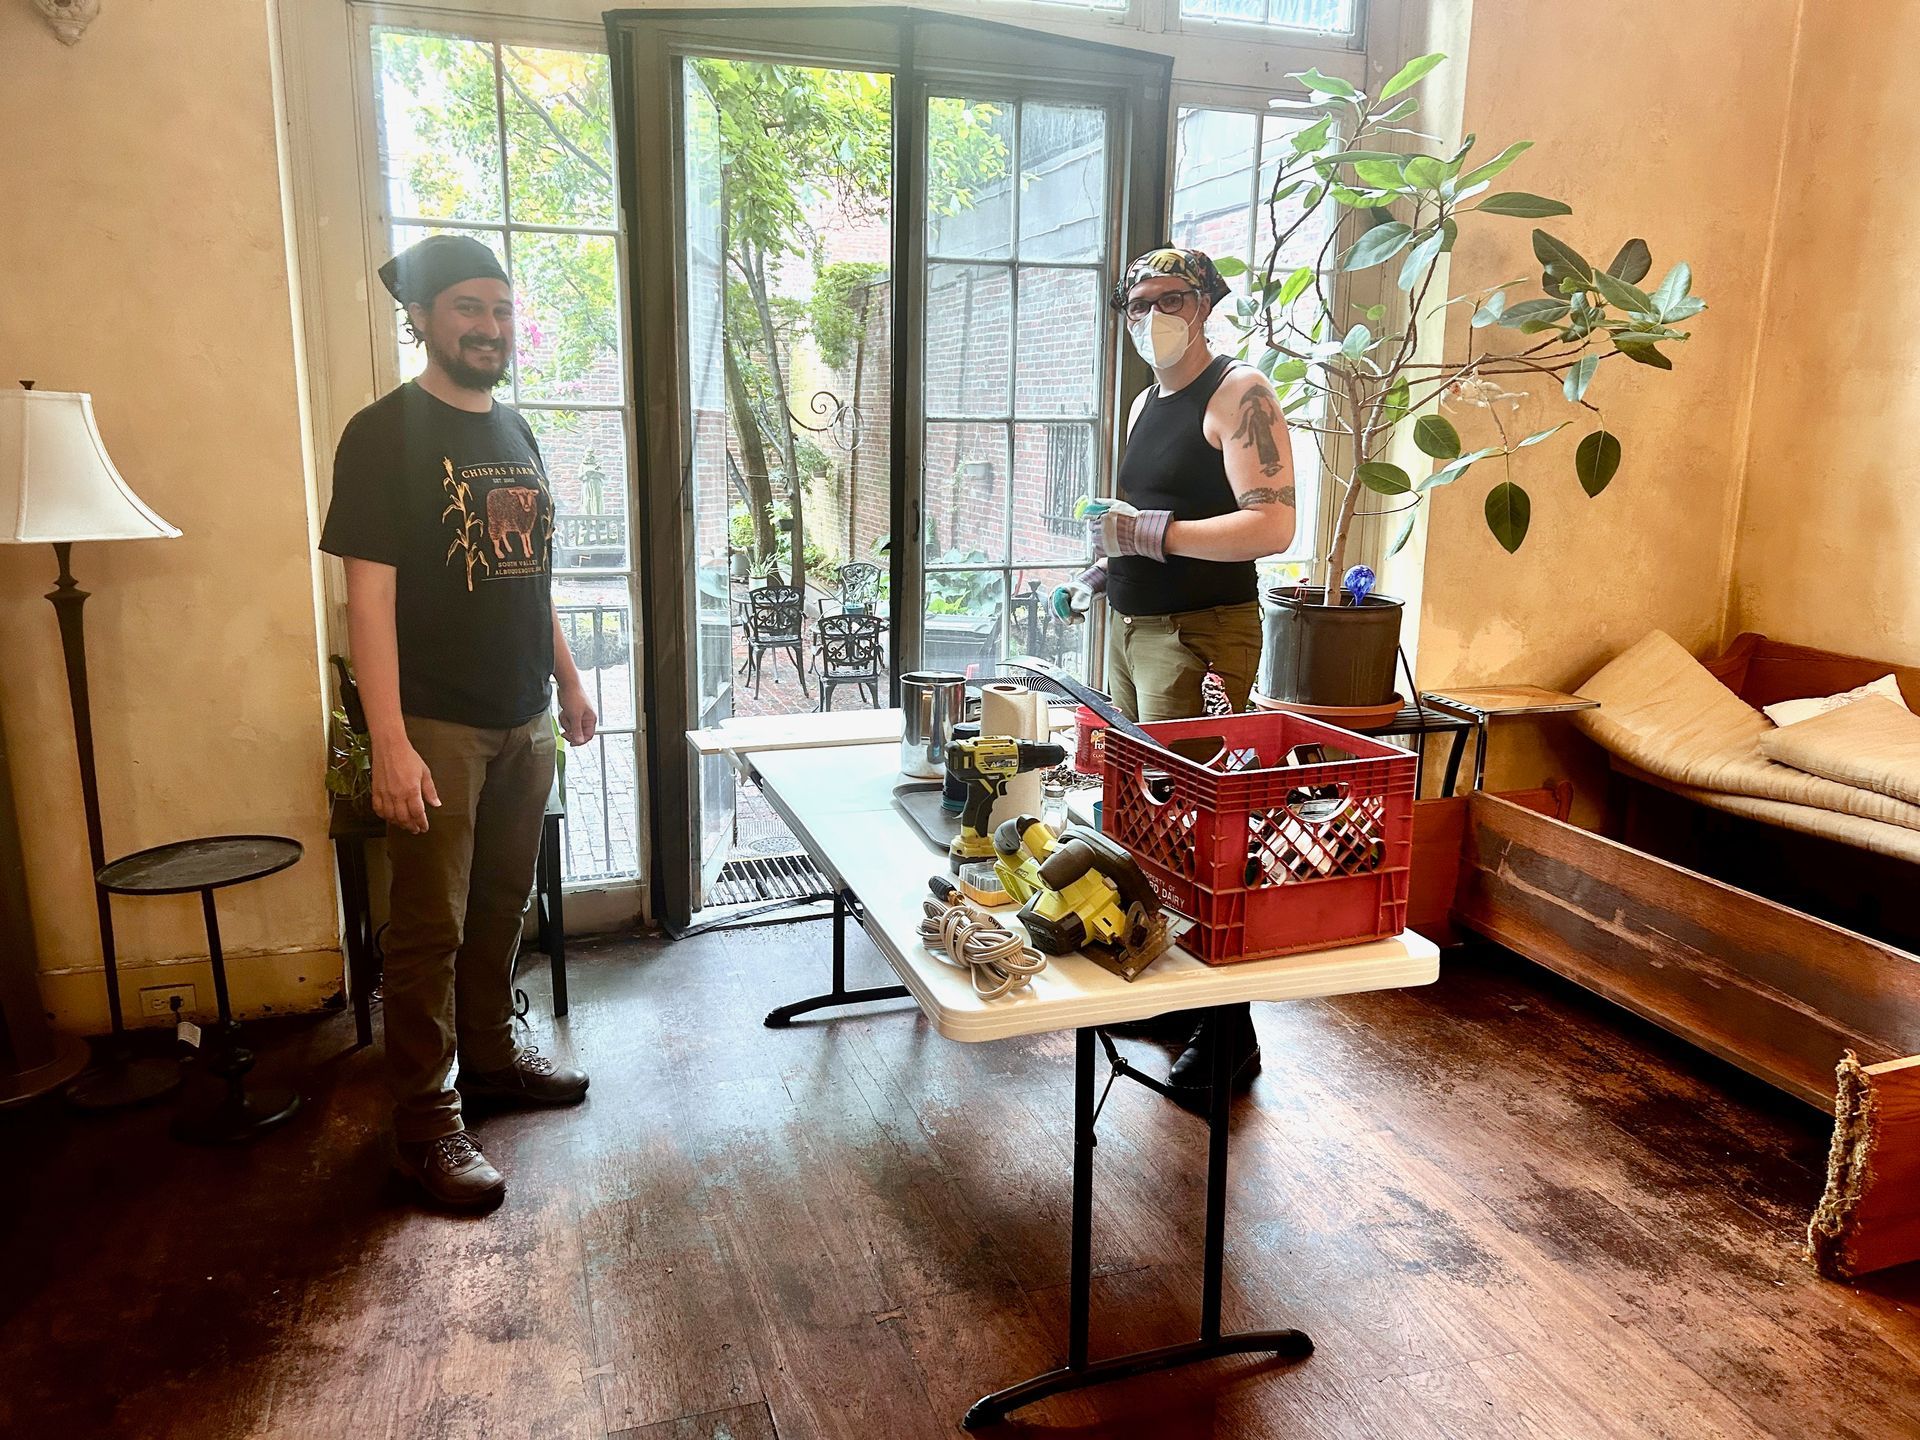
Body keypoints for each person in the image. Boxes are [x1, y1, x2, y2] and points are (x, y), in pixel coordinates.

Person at [320, 234, 596, 1210]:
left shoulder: (514, 429)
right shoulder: (382, 433)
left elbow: (536, 577)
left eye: (497, 309)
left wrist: (567, 679)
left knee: (501, 909)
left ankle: (489, 1061)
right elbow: (370, 602)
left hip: (525, 717)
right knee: (428, 928)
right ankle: (424, 1125)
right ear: (424, 319)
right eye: (466, 309)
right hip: (436, 723)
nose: (486, 327)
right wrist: (387, 739)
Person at [1072, 245, 1298, 1102]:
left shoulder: (1241, 395)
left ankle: (1228, 1032)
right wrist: (1105, 568)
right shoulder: (1144, 400)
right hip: (1136, 633)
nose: (1149, 317)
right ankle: (1176, 999)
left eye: (1168, 299)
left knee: (1201, 829)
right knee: (1138, 823)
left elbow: (1271, 526)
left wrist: (1151, 536)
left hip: (1201, 637)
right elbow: (1143, 521)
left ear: (1205, 306)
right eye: (1135, 304)